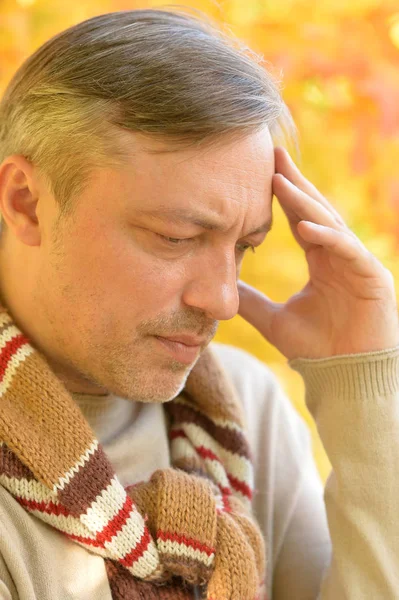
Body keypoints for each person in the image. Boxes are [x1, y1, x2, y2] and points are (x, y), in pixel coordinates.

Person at [0, 7, 398, 600]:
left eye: (245, 246)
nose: (224, 299)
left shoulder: (249, 408)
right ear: (27, 202)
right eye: (176, 238)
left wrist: (362, 390)